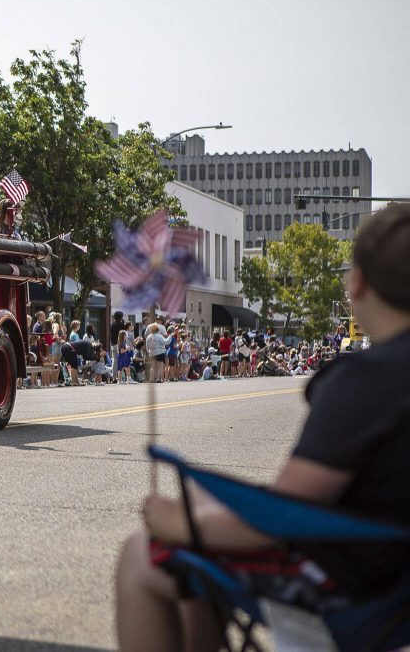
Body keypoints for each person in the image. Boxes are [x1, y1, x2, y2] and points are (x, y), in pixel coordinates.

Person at [115, 204, 410, 652]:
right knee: (199, 498)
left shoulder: (366, 381)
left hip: (356, 584)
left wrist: (174, 523)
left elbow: (281, 519)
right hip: (395, 574)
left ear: (358, 284)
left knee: (141, 553)